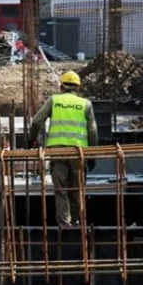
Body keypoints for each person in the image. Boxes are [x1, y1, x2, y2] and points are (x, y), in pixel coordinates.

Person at [28, 71, 98, 228]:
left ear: (61, 87)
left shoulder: (54, 100)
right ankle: (77, 222)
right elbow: (92, 130)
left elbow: (36, 122)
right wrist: (92, 155)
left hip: (57, 152)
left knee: (61, 190)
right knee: (77, 189)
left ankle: (65, 225)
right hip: (78, 153)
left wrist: (30, 140)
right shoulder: (86, 104)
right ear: (78, 88)